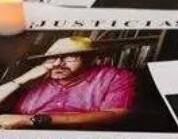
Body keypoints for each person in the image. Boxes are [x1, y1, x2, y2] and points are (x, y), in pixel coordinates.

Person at [0, 36, 136, 129]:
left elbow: (114, 115)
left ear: (90, 59)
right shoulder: (35, 78)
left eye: (69, 57)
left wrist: (32, 120)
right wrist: (23, 79)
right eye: (51, 58)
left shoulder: (114, 76)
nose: (57, 63)